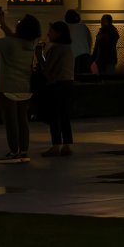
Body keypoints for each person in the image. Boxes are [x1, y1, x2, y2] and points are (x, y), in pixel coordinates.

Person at [0, 9, 40, 162]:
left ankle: (13, 151)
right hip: (25, 87)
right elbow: (14, 39)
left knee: (11, 121)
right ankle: (23, 151)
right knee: (23, 120)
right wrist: (3, 24)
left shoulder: (9, 43)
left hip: (8, 87)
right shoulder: (31, 44)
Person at [37, 20, 76, 156]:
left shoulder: (56, 48)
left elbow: (47, 69)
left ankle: (56, 145)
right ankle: (67, 145)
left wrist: (38, 55)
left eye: (51, 31)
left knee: (54, 115)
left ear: (59, 33)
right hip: (68, 83)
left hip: (57, 84)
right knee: (64, 115)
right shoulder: (67, 48)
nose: (48, 34)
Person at [65, 9, 92, 76]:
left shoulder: (66, 27)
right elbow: (89, 41)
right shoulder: (84, 27)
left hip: (73, 58)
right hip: (85, 56)